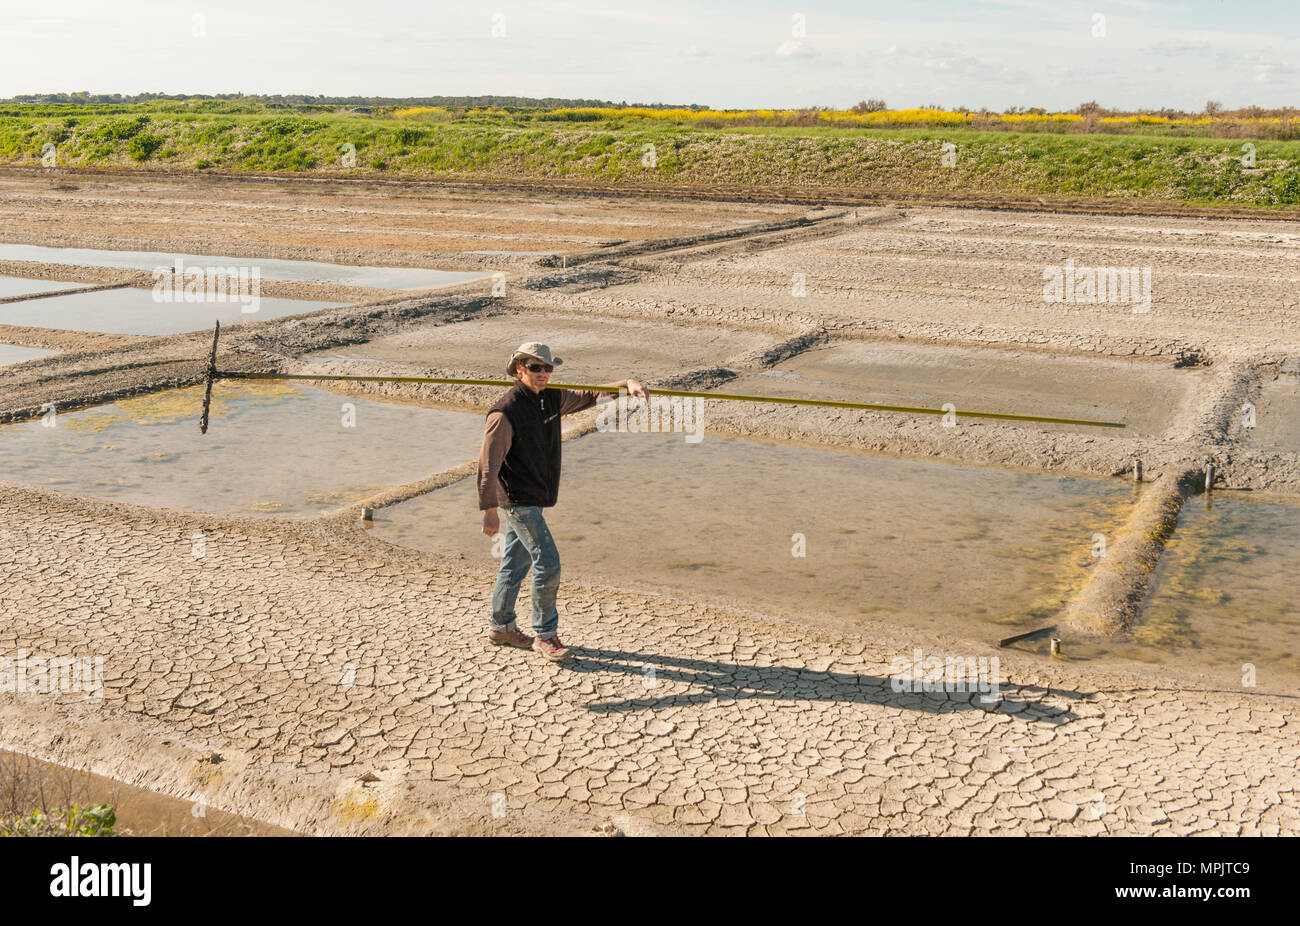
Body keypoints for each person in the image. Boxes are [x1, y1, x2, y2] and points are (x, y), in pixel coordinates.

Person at [477, 342, 649, 661]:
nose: (543, 373)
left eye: (548, 368)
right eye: (535, 367)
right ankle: (545, 635)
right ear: (519, 370)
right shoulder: (505, 412)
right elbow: (488, 465)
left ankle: (500, 626)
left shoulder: (552, 399)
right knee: (548, 561)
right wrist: (489, 511)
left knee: (516, 562)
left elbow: (591, 395)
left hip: (535, 496)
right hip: (517, 500)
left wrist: (626, 382)